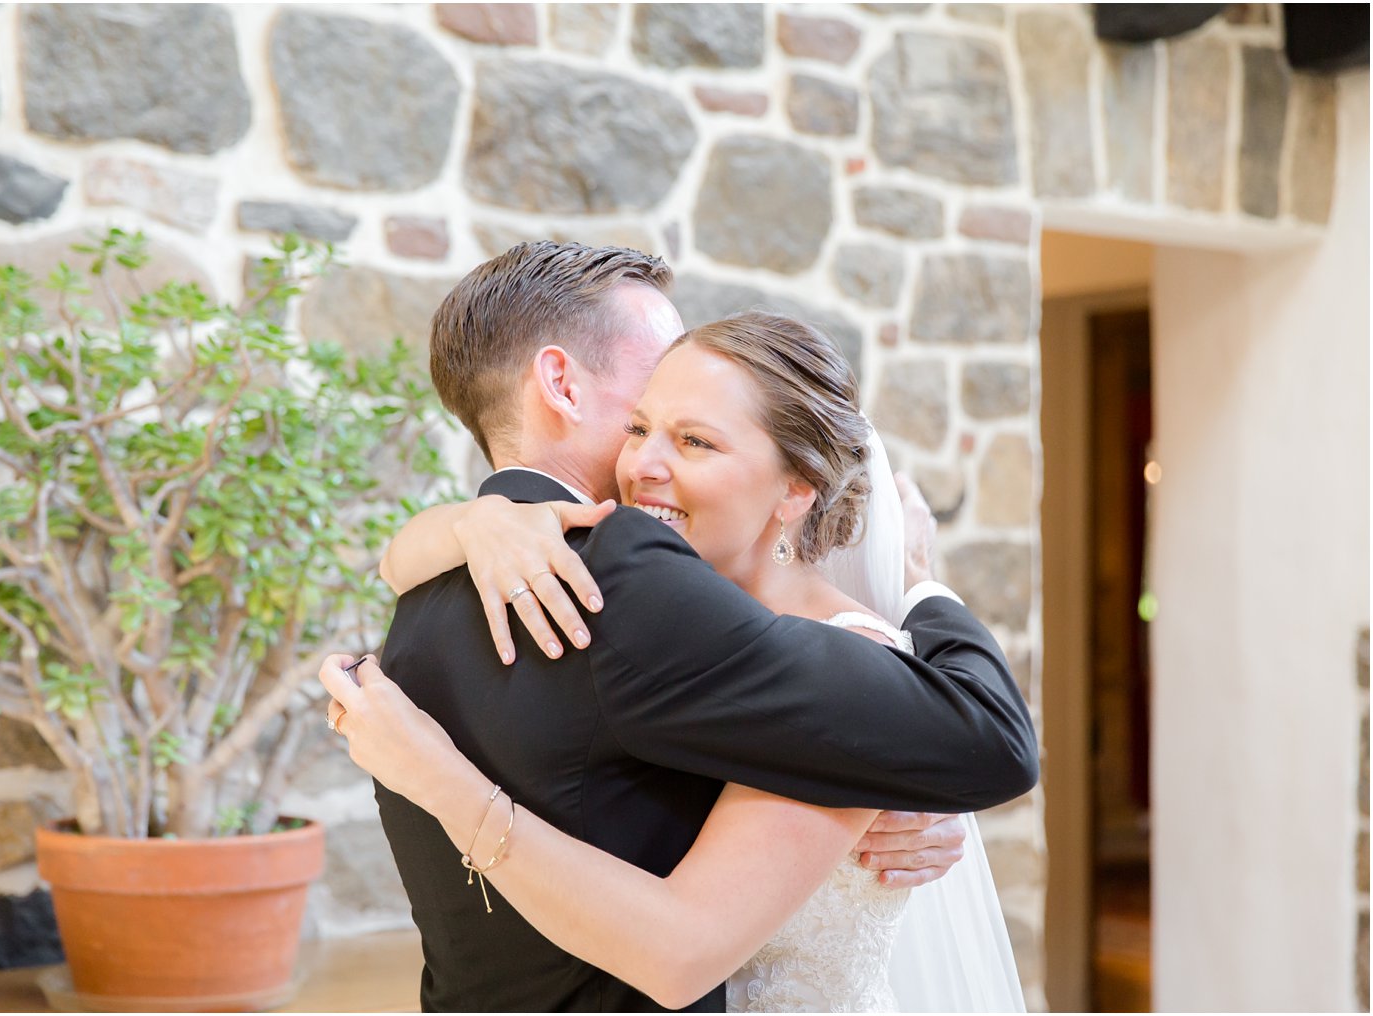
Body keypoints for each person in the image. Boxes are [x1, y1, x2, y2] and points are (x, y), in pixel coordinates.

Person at [320, 243, 1037, 1011]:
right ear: (560, 383)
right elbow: (982, 734)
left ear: (796, 489)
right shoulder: (629, 574)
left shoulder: (423, 599)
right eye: (648, 404)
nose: (650, 455)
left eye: (695, 436)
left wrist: (895, 779)